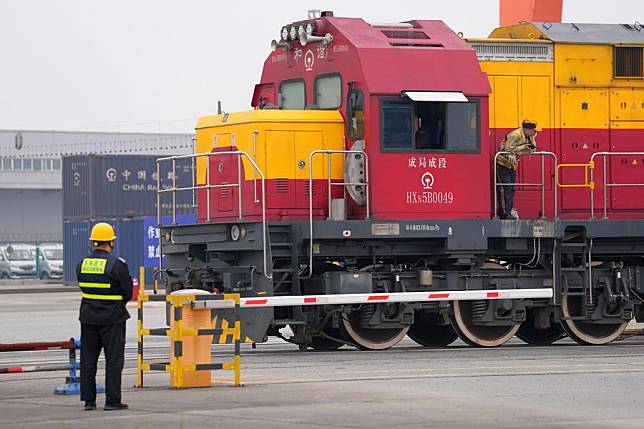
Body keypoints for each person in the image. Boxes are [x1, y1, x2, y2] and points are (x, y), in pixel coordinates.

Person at [77, 222, 133, 411]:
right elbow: (127, 292)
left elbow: (84, 288)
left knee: (88, 360)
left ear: (93, 242)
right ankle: (112, 401)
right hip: (112, 319)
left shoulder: (82, 264)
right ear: (111, 242)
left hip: (88, 318)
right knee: (114, 361)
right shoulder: (117, 264)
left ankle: (89, 401)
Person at [496, 119, 537, 220]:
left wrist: (531, 142)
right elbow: (507, 148)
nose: (535, 132)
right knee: (505, 188)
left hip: (512, 165)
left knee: (511, 189)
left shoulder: (528, 137)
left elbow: (533, 150)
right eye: (534, 131)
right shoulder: (515, 135)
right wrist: (522, 147)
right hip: (502, 165)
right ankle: (504, 213)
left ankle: (508, 211)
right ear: (527, 129)